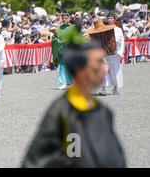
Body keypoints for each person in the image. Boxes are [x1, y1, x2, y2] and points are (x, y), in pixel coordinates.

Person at [22, 40, 126, 168]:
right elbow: (40, 158)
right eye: (99, 62)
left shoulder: (103, 111)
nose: (105, 68)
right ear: (80, 69)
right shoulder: (64, 111)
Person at [86, 19, 123, 96]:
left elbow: (117, 41)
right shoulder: (94, 34)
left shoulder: (113, 31)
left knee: (115, 72)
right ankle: (104, 89)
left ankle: (115, 88)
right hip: (102, 55)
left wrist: (119, 52)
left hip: (113, 54)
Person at [52, 12, 72, 90]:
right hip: (61, 50)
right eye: (63, 18)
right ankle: (63, 83)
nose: (64, 19)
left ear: (69, 18)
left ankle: (70, 82)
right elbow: (54, 39)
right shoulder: (58, 29)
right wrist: (59, 42)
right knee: (62, 67)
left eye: (66, 17)